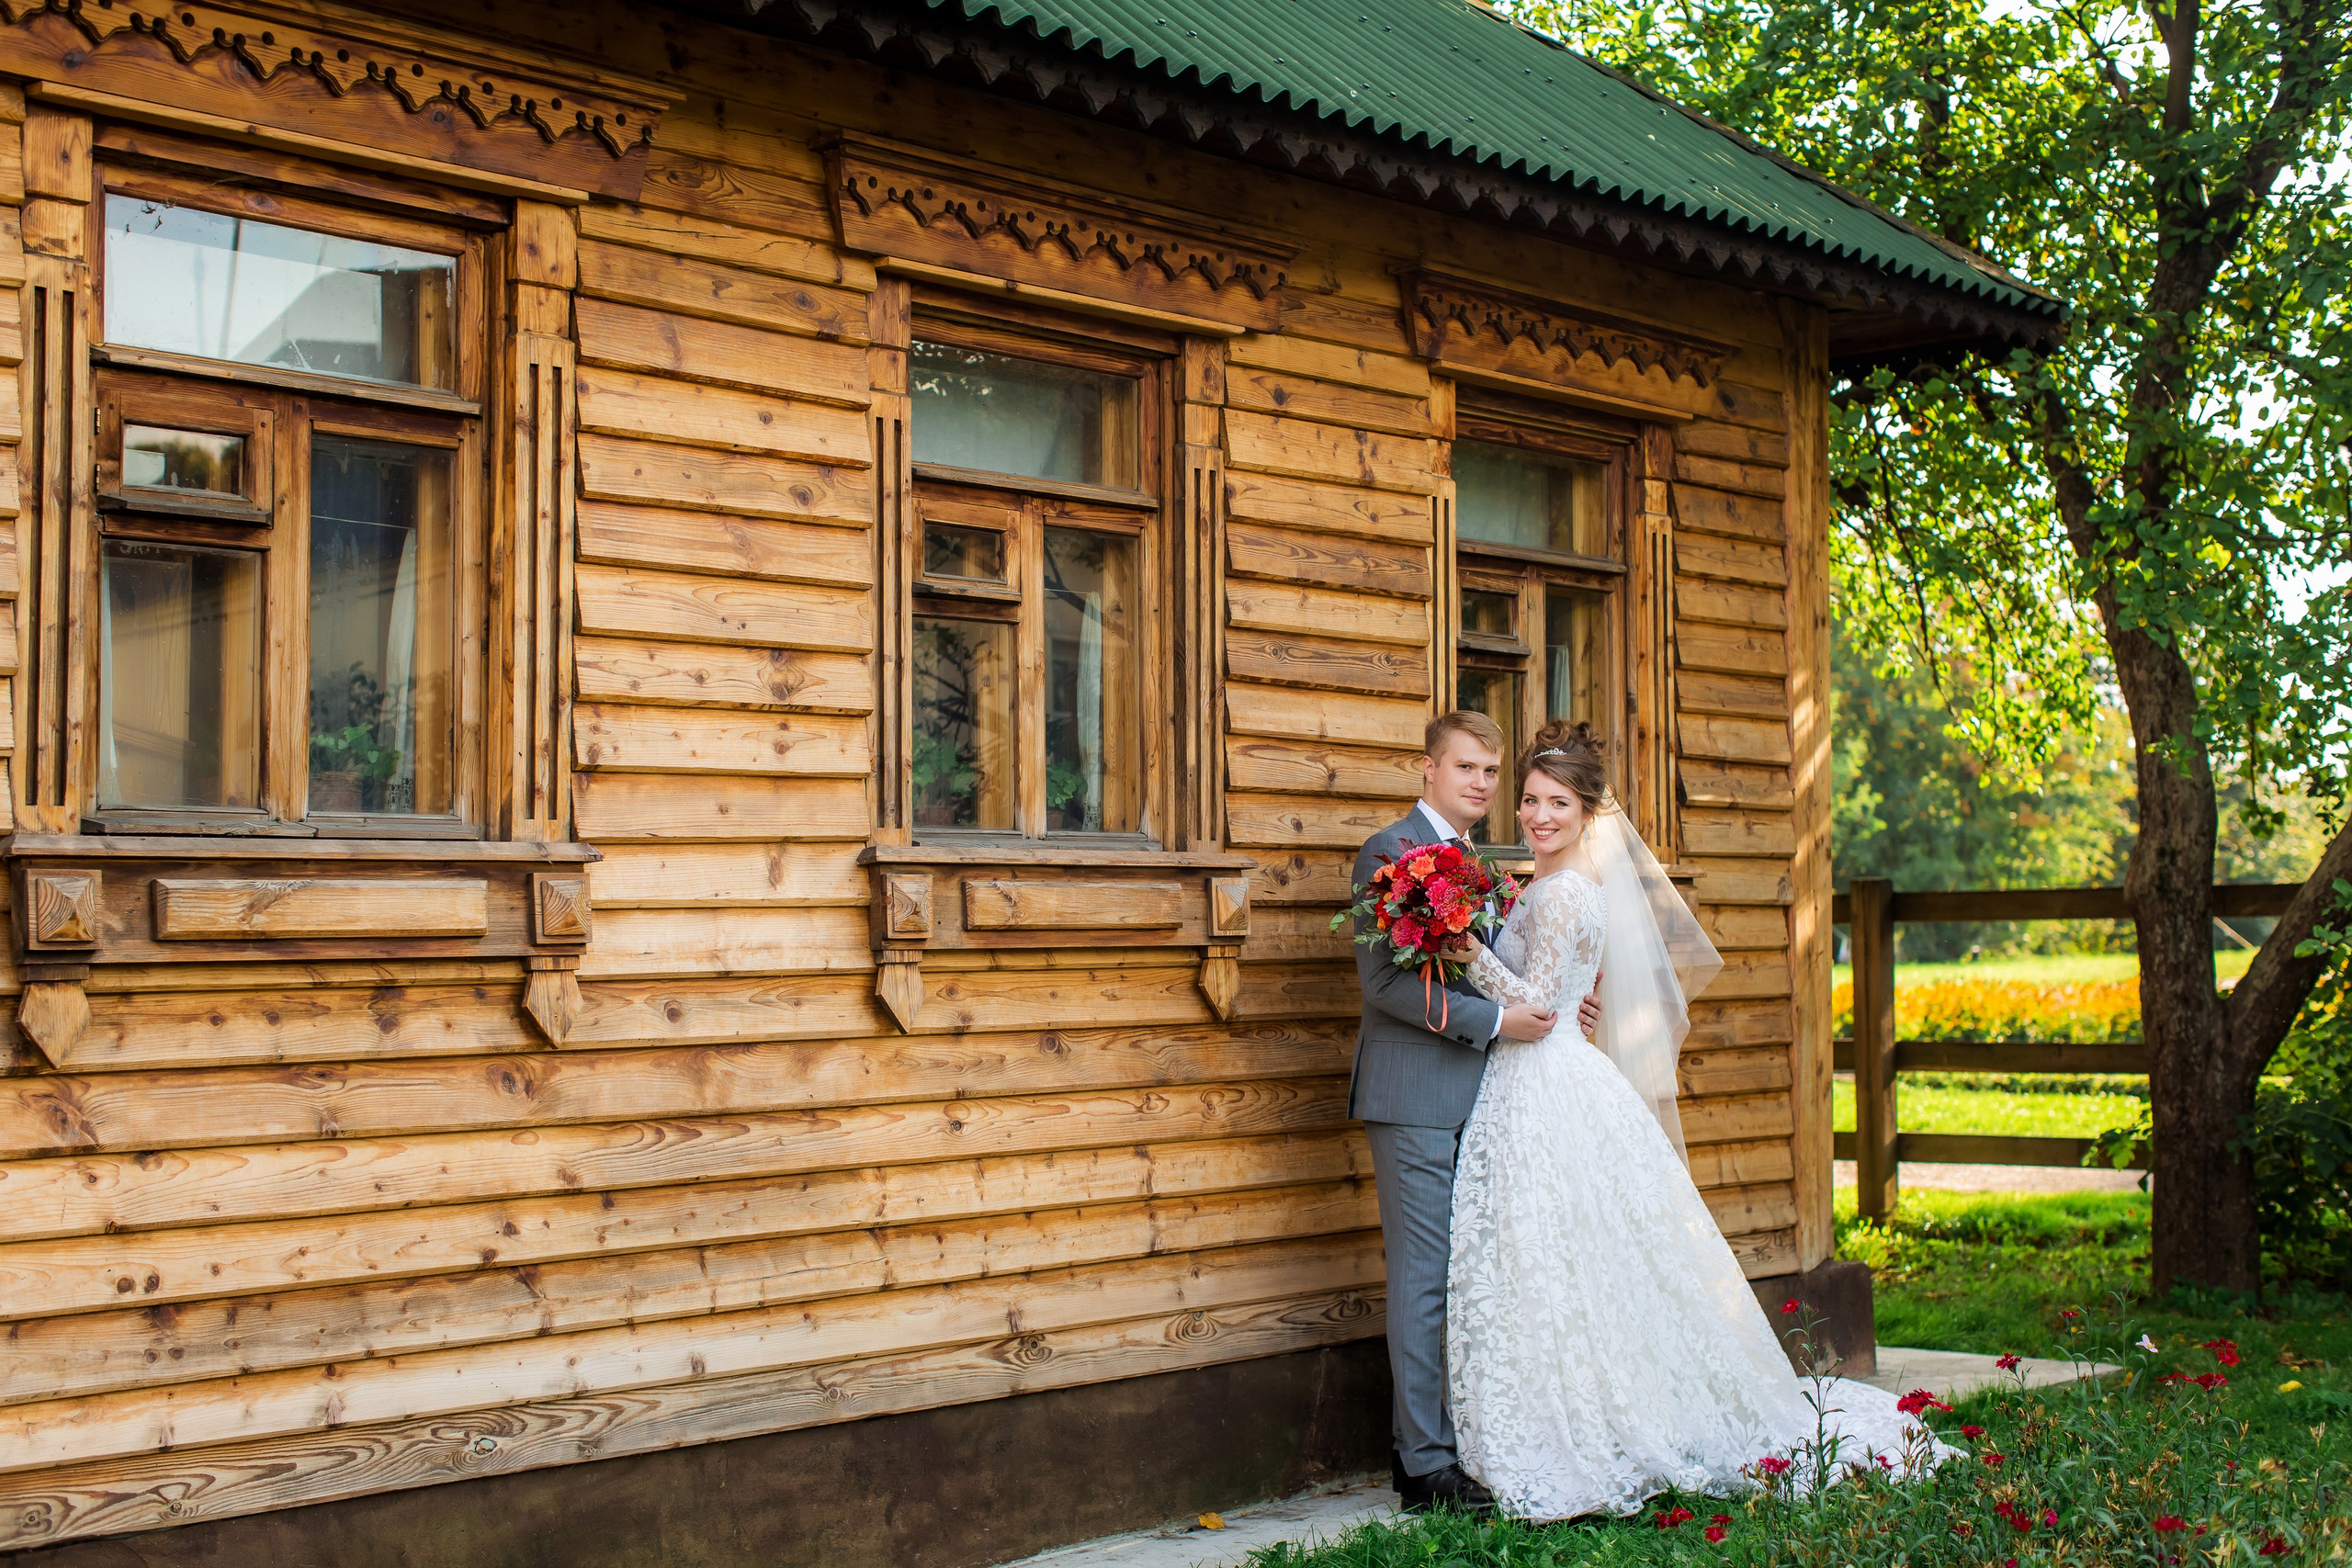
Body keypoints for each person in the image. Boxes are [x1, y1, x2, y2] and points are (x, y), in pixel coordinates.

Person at [1443, 720, 1948, 1521]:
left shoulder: (1567, 889)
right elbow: (1562, 992)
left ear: (1587, 812)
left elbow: (1533, 1003)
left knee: (1547, 1246)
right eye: (1531, 800)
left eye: (1557, 803)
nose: (1539, 816)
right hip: (1553, 1074)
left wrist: (1461, 944)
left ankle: (1580, 1419)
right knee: (1563, 1251)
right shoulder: (1550, 886)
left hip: (1543, 1078)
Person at [1346, 711, 1600, 1515]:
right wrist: (1499, 1023)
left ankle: (1457, 1442)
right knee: (1423, 1281)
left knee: (1470, 1277)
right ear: (1428, 768)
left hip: (1489, 1100)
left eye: (1492, 773)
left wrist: (1557, 1007)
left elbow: (1502, 967)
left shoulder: (1480, 866)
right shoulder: (1386, 855)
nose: (1483, 785)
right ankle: (1423, 1465)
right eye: (1467, 769)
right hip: (1416, 1096)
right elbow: (1383, 987)